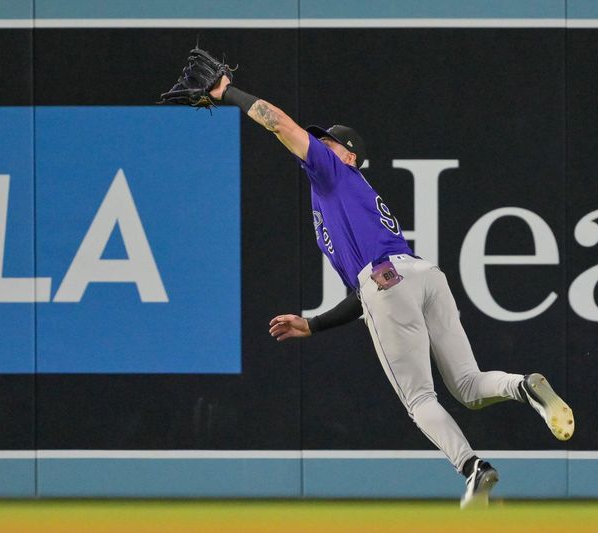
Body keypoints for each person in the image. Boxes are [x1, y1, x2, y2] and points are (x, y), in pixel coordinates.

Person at [209, 76, 574, 508]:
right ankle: (525, 387)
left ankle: (473, 468)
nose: (319, 144)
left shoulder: (334, 173)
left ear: (350, 156)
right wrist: (314, 323)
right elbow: (362, 298)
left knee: (419, 398)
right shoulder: (335, 194)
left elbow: (281, 124)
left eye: (329, 142)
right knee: (470, 386)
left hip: (385, 279)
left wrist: (226, 92)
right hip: (420, 274)